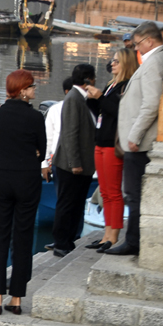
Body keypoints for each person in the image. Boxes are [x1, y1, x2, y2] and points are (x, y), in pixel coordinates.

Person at [0, 70, 47, 314]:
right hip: (27, 180)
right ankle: (17, 299)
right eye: (32, 86)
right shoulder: (36, 117)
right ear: (22, 90)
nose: (35, 90)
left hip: (1, 178)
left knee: (1, 237)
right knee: (22, 238)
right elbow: (41, 152)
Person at [105, 22, 163, 256]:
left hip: (140, 142)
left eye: (138, 43)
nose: (136, 48)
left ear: (149, 41)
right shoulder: (155, 60)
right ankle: (134, 239)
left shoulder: (153, 63)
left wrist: (134, 135)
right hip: (138, 140)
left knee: (133, 193)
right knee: (134, 193)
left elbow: (151, 103)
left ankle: (133, 241)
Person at [87, 48, 137, 252]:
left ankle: (113, 236)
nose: (112, 64)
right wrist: (92, 98)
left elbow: (119, 112)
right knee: (105, 191)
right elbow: (101, 110)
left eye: (116, 61)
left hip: (112, 144)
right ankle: (105, 234)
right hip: (100, 140)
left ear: (125, 63)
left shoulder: (126, 87)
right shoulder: (110, 85)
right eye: (112, 61)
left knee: (114, 192)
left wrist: (100, 97)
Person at [51, 64, 101, 257]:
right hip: (70, 165)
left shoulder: (85, 100)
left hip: (84, 164)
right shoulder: (73, 99)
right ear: (89, 80)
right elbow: (70, 133)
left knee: (77, 203)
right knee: (67, 203)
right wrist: (75, 163)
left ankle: (69, 240)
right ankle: (61, 242)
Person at [43, 77, 74, 180]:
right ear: (67, 92)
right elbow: (48, 138)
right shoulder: (54, 110)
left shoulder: (88, 110)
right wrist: (45, 163)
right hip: (58, 160)